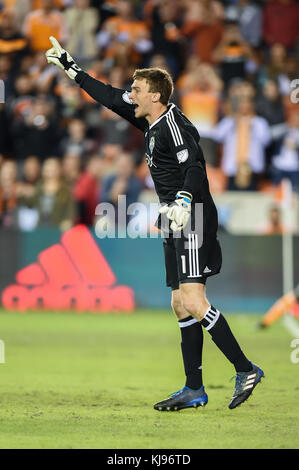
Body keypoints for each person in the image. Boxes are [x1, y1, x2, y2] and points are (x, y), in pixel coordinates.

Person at [46, 36, 264, 411]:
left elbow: (194, 166)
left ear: (156, 97)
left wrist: (182, 200)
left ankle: (245, 369)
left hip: (191, 215)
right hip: (174, 218)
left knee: (194, 301)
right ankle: (194, 388)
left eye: (138, 88)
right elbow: (110, 97)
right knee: (179, 303)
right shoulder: (151, 119)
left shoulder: (174, 125)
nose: (130, 93)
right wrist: (72, 68)